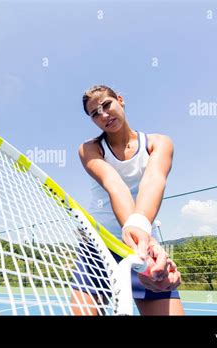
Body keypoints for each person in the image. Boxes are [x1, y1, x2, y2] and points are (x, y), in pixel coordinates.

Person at [71, 85, 184, 315]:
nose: (103, 114)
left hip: (141, 245)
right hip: (97, 248)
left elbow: (153, 179)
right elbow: (114, 184)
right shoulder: (89, 148)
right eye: (94, 113)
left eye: (106, 105)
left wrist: (142, 234)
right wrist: (137, 230)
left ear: (120, 100)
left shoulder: (159, 143)